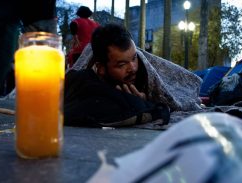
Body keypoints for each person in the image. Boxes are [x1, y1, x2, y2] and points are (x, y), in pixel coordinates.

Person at [64, 24, 202, 127]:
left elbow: (173, 97)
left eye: (134, 58)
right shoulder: (87, 78)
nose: (133, 68)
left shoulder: (143, 68)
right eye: (121, 64)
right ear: (101, 68)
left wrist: (146, 101)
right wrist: (140, 104)